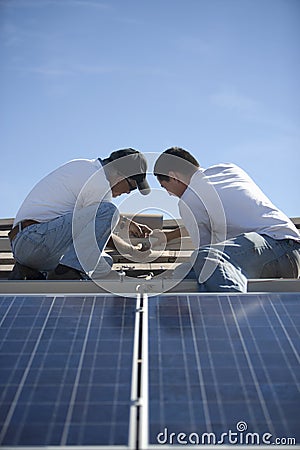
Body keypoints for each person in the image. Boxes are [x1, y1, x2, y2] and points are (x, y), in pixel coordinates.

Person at [153, 147, 300, 292]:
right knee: (182, 274)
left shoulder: (189, 200)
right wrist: (170, 235)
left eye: (165, 187)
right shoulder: (228, 169)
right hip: (291, 250)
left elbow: (205, 252)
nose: (170, 194)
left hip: (274, 245)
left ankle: (232, 310)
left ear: (173, 177)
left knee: (205, 262)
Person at [9, 148, 152, 280]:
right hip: (34, 239)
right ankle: (67, 274)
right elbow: (99, 233)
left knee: (104, 263)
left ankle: (35, 272)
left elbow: (86, 222)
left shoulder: (85, 167)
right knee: (109, 211)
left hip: (33, 243)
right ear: (121, 175)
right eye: (132, 187)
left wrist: (126, 223)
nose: (127, 192)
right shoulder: (99, 182)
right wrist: (132, 251)